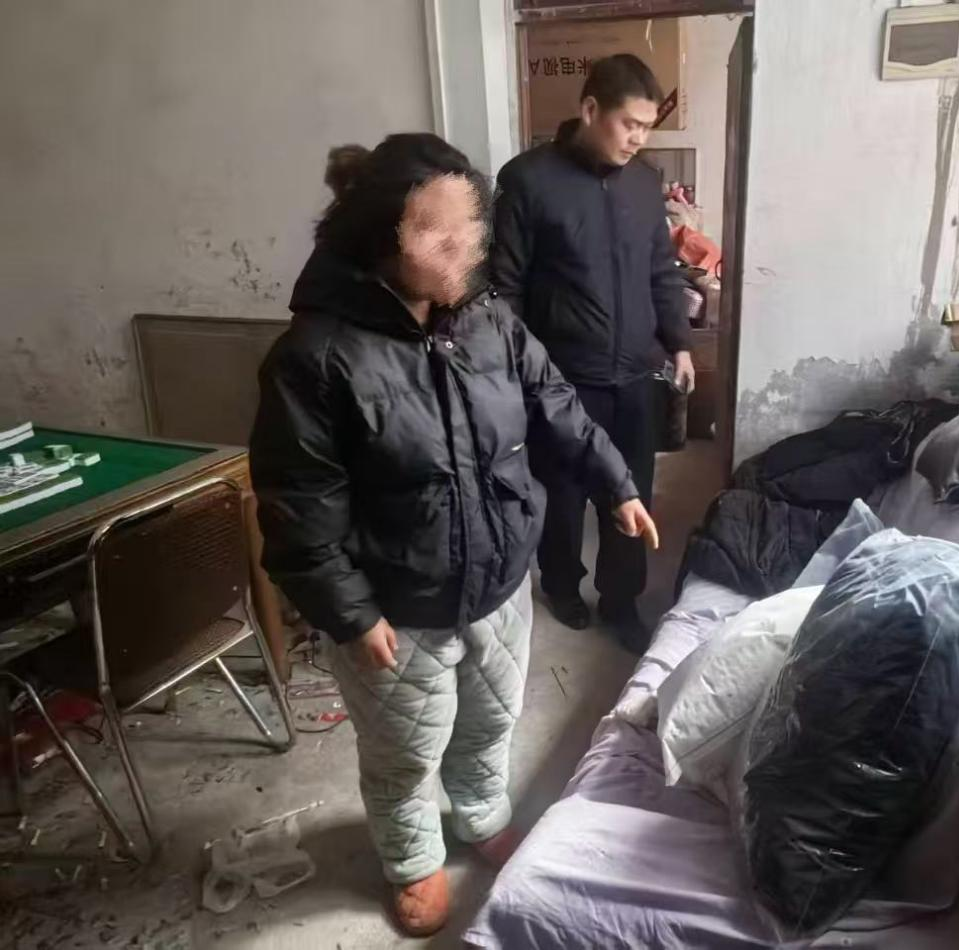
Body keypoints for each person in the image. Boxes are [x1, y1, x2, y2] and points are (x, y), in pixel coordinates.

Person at [249, 133, 658, 938]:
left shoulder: (489, 319)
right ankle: (411, 860)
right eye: (435, 233)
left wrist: (615, 482)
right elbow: (299, 503)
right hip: (397, 607)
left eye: (469, 224)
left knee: (491, 721)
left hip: (500, 584)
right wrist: (349, 613)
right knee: (404, 749)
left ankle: (480, 814)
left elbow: (554, 402)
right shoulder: (314, 359)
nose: (464, 245)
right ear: (379, 241)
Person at [491, 53, 694, 652]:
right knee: (562, 494)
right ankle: (561, 584)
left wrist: (679, 344)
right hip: (561, 378)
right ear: (589, 109)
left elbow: (662, 271)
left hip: (633, 374)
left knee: (630, 491)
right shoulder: (528, 181)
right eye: (629, 123)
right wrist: (521, 372)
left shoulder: (644, 183)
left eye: (647, 127)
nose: (638, 138)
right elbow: (506, 286)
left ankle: (621, 599)